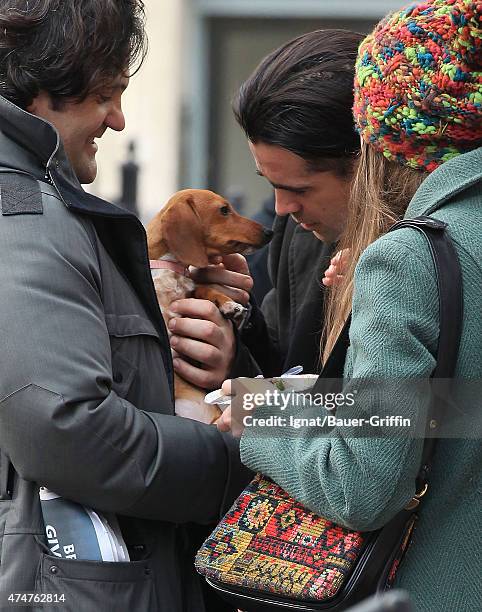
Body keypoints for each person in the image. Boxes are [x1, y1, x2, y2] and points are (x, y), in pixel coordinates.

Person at [223, 0, 482, 610]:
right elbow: (462, 409)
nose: (283, 210)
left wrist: (258, 417)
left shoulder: (408, 261)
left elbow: (363, 482)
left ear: (380, 145)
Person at [0, 2, 250, 610]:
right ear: (44, 90)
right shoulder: (23, 214)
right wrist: (234, 459)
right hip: (63, 585)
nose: (117, 120)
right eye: (106, 95)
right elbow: (66, 428)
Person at [169, 29, 364, 386]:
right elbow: (284, 365)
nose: (283, 207)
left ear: (363, 166)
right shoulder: (297, 234)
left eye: (300, 189)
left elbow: (422, 413)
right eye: (272, 184)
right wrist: (232, 345)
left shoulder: (436, 251)